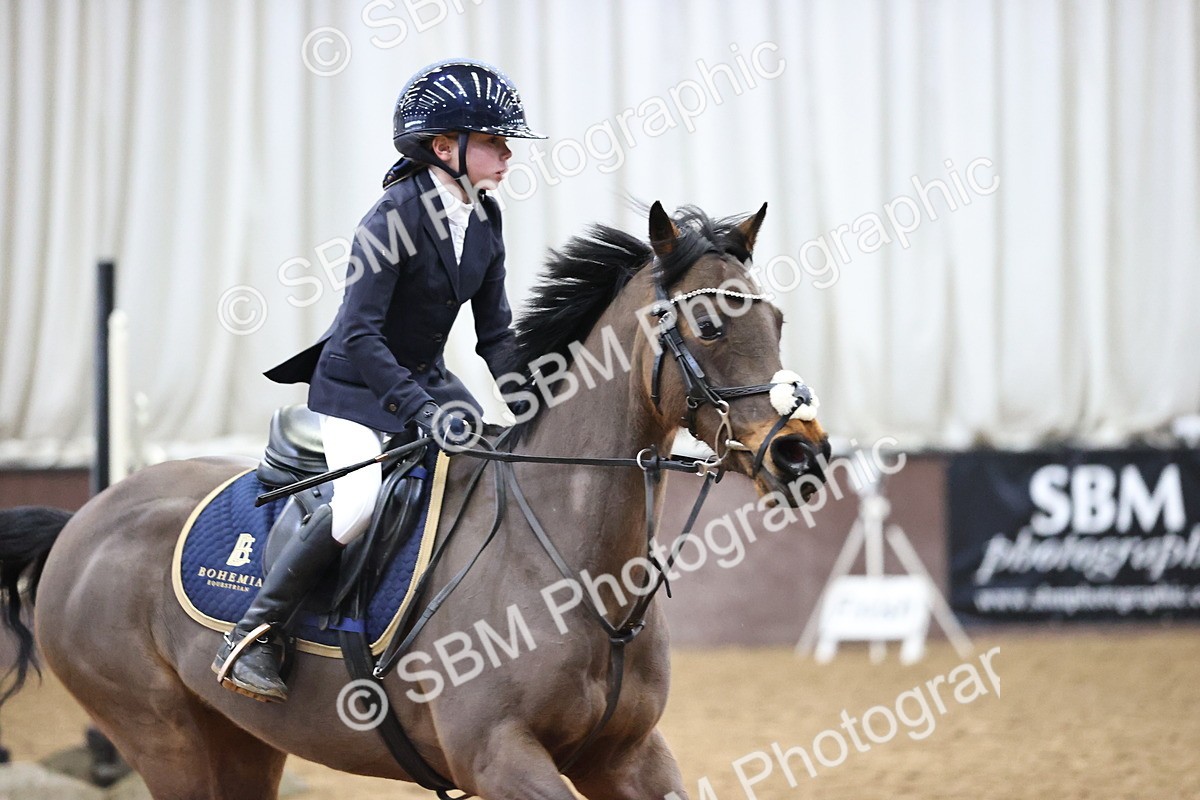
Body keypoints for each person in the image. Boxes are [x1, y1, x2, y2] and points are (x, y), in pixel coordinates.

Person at [212, 58, 545, 702]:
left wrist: (535, 400)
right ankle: (253, 632)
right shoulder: (390, 220)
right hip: (355, 387)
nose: (508, 154)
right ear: (444, 148)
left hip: (424, 378)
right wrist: (421, 411)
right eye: (495, 141)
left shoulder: (486, 219)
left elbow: (496, 335)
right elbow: (359, 335)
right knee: (359, 501)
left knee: (494, 462)